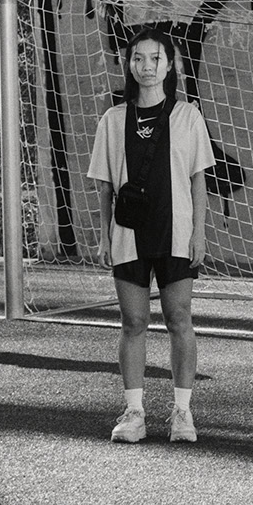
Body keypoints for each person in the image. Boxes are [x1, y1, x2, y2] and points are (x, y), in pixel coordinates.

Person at [87, 28, 215, 444]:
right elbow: (104, 186)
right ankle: (135, 412)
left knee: (179, 319)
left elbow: (198, 181)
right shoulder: (112, 120)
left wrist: (199, 233)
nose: (146, 66)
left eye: (155, 58)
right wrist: (104, 236)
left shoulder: (188, 116)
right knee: (133, 322)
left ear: (169, 64)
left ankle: (182, 412)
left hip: (176, 233)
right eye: (138, 58)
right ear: (129, 65)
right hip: (128, 235)